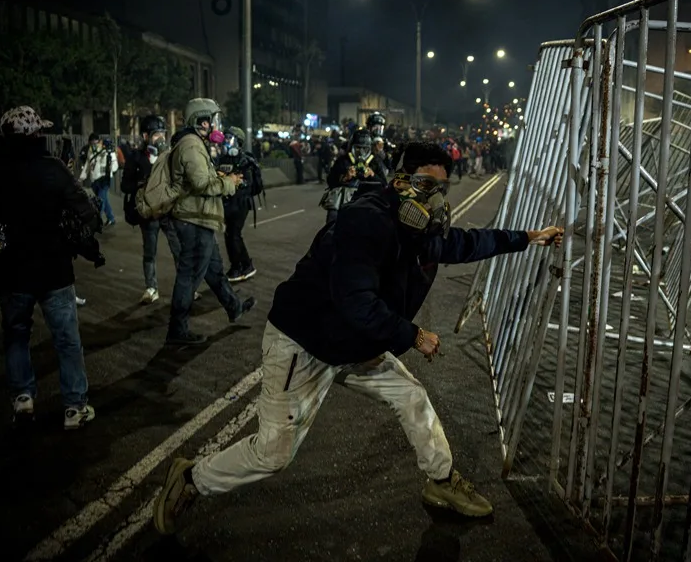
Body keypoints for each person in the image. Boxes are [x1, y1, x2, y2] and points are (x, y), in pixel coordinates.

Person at [152, 142, 563, 535]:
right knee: (273, 454)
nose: (435, 199)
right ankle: (192, 478)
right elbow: (356, 301)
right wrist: (413, 335)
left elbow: (467, 242)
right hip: (306, 342)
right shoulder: (365, 221)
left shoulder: (418, 230)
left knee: (411, 396)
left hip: (355, 343)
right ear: (400, 181)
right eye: (425, 185)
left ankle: (440, 479)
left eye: (441, 189)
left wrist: (527, 237)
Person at [0, 106, 99, 429]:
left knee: (16, 335)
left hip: (12, 270)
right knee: (66, 339)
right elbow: (85, 211)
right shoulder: (53, 168)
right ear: (35, 135)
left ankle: (22, 398)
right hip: (54, 269)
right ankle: (74, 407)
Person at [165, 98, 256, 346]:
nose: (215, 125)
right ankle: (177, 330)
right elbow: (202, 184)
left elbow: (202, 176)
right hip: (193, 220)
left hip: (201, 218)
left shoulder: (196, 144)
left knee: (214, 271)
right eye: (211, 120)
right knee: (190, 276)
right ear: (201, 121)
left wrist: (222, 176)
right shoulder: (191, 146)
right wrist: (230, 183)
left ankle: (233, 306)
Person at [121, 115, 182, 304]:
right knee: (149, 252)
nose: (161, 138)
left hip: (169, 211)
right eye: (157, 134)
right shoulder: (136, 157)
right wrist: (143, 183)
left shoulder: (169, 156)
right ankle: (151, 288)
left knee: (179, 250)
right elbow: (125, 185)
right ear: (146, 136)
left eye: (163, 133)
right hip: (148, 214)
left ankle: (186, 288)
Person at [219, 126, 263, 283]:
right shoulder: (223, 159)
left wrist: (236, 181)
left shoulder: (245, 160)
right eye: (225, 138)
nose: (226, 142)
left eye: (229, 139)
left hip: (240, 203)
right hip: (228, 202)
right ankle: (243, 265)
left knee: (233, 234)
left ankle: (240, 266)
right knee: (231, 235)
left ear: (238, 142)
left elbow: (248, 184)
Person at [79, 134, 118, 226]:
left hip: (104, 180)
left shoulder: (106, 150)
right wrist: (81, 178)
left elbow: (114, 164)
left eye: (96, 142)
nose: (94, 145)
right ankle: (111, 218)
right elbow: (87, 165)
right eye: (92, 143)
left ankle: (97, 221)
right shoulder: (89, 151)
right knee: (104, 200)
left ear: (99, 142)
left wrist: (109, 153)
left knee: (100, 200)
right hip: (94, 180)